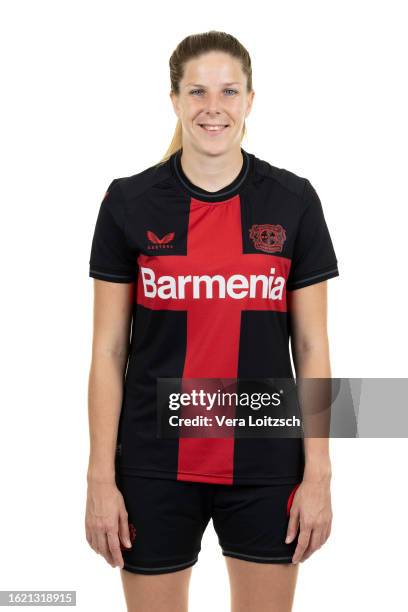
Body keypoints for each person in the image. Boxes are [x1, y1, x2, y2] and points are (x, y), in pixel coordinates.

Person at [86, 30, 338, 612]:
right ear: (174, 99)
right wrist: (101, 475)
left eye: (229, 91)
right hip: (152, 461)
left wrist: (320, 472)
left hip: (268, 457)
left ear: (250, 99)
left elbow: (314, 345)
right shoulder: (128, 201)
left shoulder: (293, 200)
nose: (213, 106)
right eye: (197, 91)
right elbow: (106, 351)